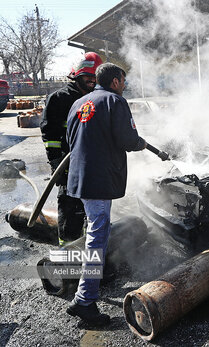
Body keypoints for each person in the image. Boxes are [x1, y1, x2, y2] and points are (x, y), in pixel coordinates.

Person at [65, 63, 147, 325]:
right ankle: (84, 301)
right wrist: (139, 142)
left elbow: (71, 138)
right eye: (123, 80)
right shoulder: (115, 101)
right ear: (114, 81)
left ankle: (83, 296)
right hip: (99, 180)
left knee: (96, 231)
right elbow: (126, 139)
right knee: (97, 237)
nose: (124, 84)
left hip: (81, 179)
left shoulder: (80, 103)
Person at [40, 52, 103, 247]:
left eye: (95, 78)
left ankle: (88, 253)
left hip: (93, 168)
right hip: (69, 170)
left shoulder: (97, 98)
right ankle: (66, 262)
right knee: (70, 215)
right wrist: (56, 163)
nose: (92, 81)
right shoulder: (59, 99)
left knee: (92, 214)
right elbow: (50, 136)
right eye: (88, 77)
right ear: (77, 75)